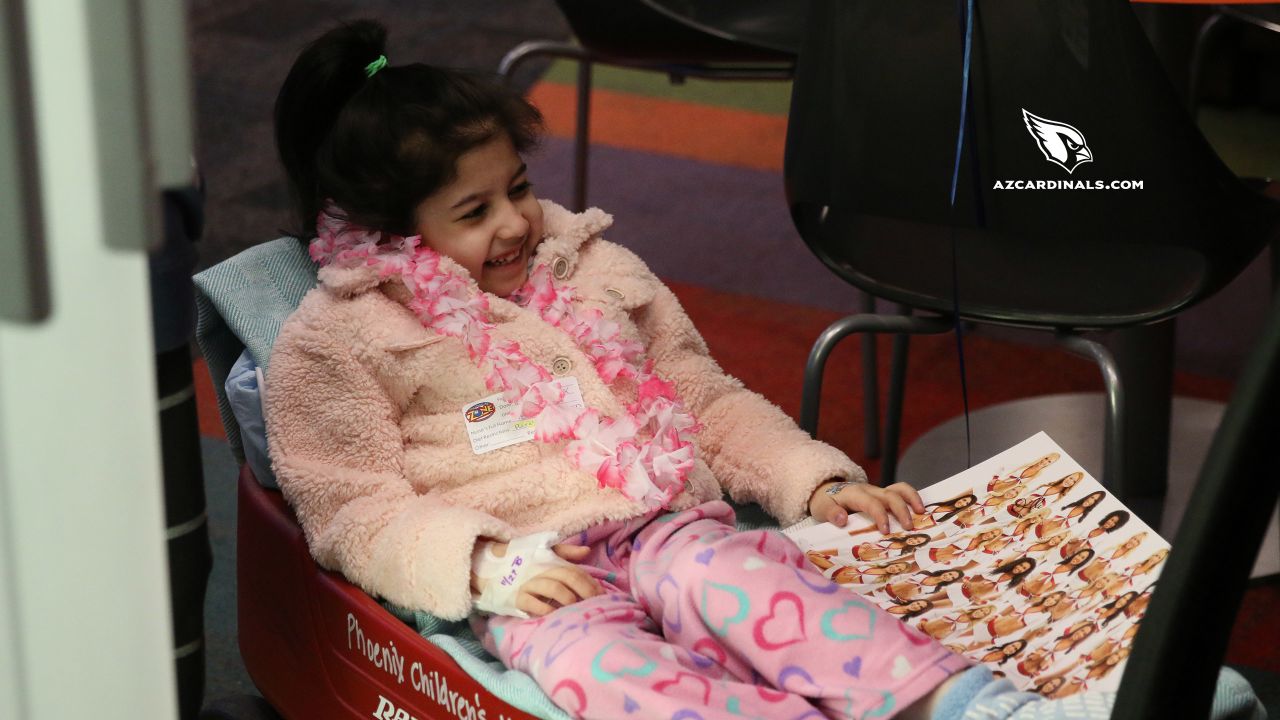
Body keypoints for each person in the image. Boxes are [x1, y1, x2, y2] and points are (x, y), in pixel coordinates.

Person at [264, 19, 1255, 720]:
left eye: (518, 188)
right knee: (609, 679)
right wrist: (480, 565)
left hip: (665, 526)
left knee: (763, 590)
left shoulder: (595, 269)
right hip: (541, 574)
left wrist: (806, 477)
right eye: (473, 214)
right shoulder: (339, 342)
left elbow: (699, 398)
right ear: (392, 235)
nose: (519, 223)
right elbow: (350, 505)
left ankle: (971, 706)